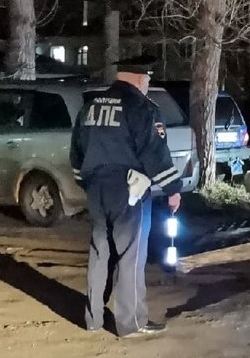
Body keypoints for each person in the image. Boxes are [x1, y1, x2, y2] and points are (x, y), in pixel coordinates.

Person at [70, 56, 183, 337]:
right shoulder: (141, 108)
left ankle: (93, 319)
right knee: (130, 256)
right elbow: (154, 153)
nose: (147, 84)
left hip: (96, 187)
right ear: (139, 78)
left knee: (99, 252)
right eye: (147, 79)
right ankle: (130, 322)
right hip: (130, 188)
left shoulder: (91, 106)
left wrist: (87, 183)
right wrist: (173, 188)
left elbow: (76, 152)